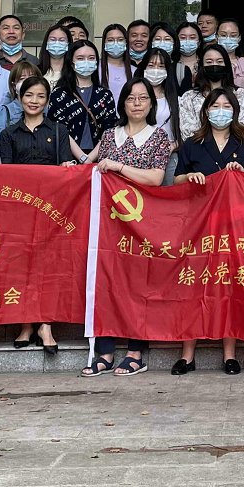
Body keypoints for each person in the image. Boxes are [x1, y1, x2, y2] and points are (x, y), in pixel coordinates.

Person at [172, 89, 244, 378]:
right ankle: (187, 354)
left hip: (235, 227)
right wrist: (189, 177)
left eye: (227, 106)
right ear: (206, 111)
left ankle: (230, 354)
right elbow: (176, 180)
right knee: (194, 286)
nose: (221, 111)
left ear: (235, 112)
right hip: (199, 225)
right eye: (215, 106)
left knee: (229, 286)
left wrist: (242, 174)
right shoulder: (192, 144)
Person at [82, 79, 171, 377]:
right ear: (122, 103)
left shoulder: (158, 136)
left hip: (143, 223)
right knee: (107, 282)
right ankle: (105, 351)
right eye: (131, 98)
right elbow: (91, 168)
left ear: (151, 104)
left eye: (143, 98)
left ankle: (135, 352)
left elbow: (156, 178)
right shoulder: (110, 135)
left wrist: (119, 167)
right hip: (109, 223)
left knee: (138, 284)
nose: (136, 103)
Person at [0, 75, 84, 355]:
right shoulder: (8, 134)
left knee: (50, 267)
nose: (34, 101)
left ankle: (46, 324)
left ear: (47, 101)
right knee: (21, 267)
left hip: (52, 210)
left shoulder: (59, 130)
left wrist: (67, 169)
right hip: (20, 211)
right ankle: (25, 324)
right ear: (19, 98)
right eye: (29, 95)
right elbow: (5, 176)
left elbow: (64, 170)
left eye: (40, 96)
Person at [48, 40, 118, 154]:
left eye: (91, 58)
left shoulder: (105, 94)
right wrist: (82, 157)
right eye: (80, 58)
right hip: (66, 156)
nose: (86, 62)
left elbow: (110, 130)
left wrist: (91, 158)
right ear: (71, 63)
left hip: (100, 156)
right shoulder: (59, 94)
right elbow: (58, 128)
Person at [178, 44, 244, 137]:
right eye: (209, 62)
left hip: (233, 145)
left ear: (226, 65)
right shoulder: (189, 97)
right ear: (202, 66)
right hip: (198, 145)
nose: (214, 65)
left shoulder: (239, 94)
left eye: (219, 61)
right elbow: (187, 130)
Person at [137, 47, 183, 151]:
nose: (156, 70)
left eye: (161, 66)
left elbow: (184, 133)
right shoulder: (133, 97)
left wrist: (173, 146)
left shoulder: (176, 100)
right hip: (139, 151)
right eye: (151, 65)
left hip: (168, 152)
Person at [0, 59, 42, 134]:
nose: (28, 82)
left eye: (32, 78)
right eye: (22, 78)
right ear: (14, 85)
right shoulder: (3, 113)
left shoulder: (44, 111)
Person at [217, 19, 244, 101]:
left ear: (239, 38)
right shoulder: (209, 62)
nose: (228, 39)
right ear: (216, 37)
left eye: (233, 35)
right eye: (223, 35)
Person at [100, 23, 133, 100]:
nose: (115, 43)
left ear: (126, 43)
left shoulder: (134, 71)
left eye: (120, 40)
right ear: (104, 43)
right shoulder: (95, 68)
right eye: (110, 40)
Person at [38, 22, 72, 88]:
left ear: (68, 44)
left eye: (62, 40)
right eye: (52, 39)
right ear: (46, 43)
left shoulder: (74, 72)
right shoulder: (36, 71)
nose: (57, 43)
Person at [173, 21, 204, 89]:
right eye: (183, 37)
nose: (187, 41)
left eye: (192, 37)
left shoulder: (206, 63)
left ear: (199, 42)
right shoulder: (170, 65)